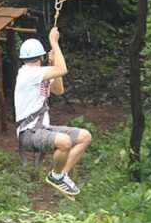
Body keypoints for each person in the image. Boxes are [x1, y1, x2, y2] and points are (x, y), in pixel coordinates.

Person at [14, 27, 92, 196]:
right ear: (40, 57)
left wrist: (53, 63)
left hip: (42, 129)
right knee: (64, 142)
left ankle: (60, 175)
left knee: (84, 136)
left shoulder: (40, 74)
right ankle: (56, 176)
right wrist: (55, 43)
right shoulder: (28, 73)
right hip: (28, 133)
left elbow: (58, 89)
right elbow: (63, 69)